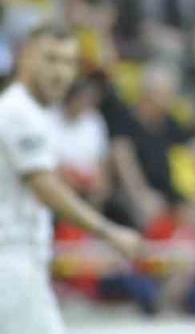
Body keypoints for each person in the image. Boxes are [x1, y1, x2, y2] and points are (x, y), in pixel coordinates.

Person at [0, 25, 143, 333]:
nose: (60, 72)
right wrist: (108, 232)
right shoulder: (17, 111)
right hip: (11, 262)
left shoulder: (35, 113)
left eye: (68, 62)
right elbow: (43, 185)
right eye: (50, 59)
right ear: (25, 58)